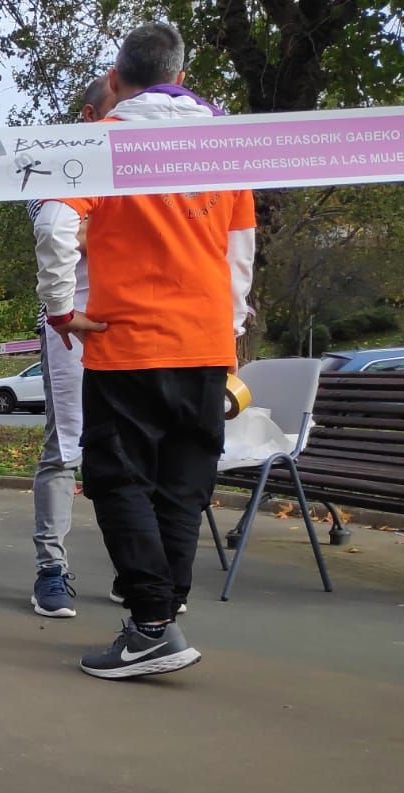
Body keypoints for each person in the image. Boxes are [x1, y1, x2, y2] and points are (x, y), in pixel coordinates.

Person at [33, 21, 255, 678]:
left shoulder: (98, 142)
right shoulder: (226, 149)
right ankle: (161, 616)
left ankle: (152, 625)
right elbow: (239, 255)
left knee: (118, 477)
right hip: (205, 344)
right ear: (181, 79)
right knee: (183, 486)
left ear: (114, 79)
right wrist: (227, 333)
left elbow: (55, 223)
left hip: (125, 342)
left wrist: (60, 311)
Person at [28, 76, 116, 619]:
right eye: (117, 110)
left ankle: (136, 572)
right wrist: (122, 233)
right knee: (65, 447)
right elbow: (57, 230)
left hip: (137, 321)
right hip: (72, 325)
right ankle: (51, 570)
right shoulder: (52, 166)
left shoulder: (144, 162)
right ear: (89, 116)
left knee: (132, 448)